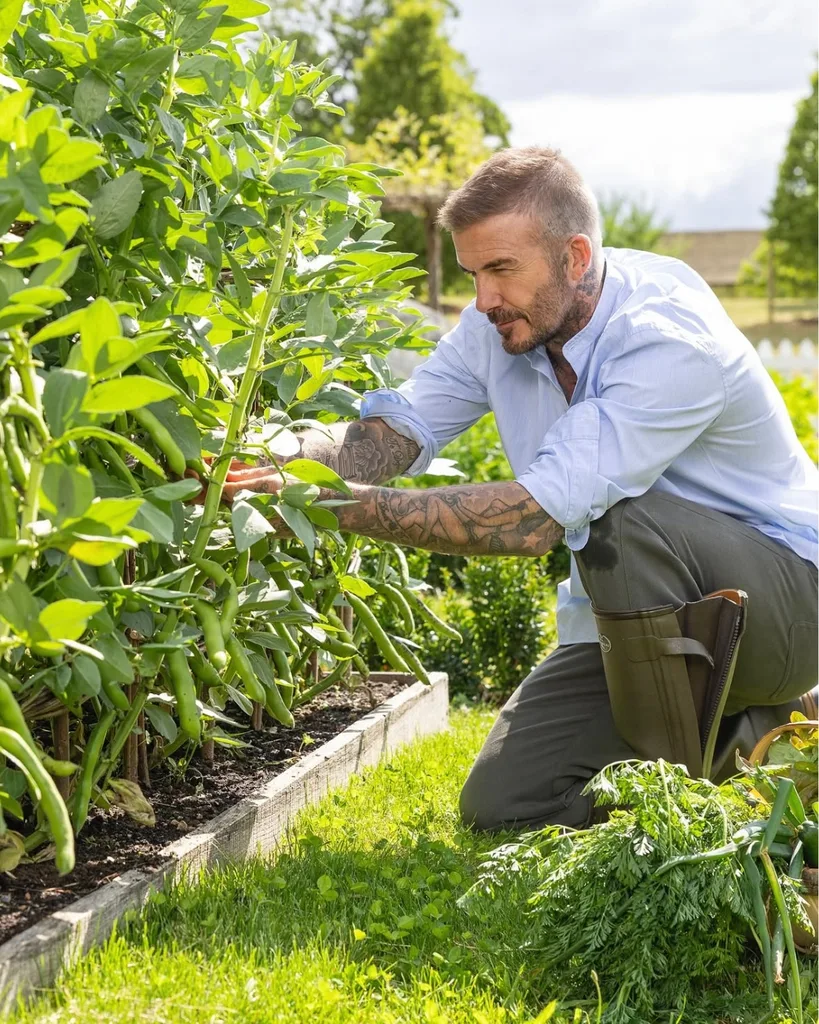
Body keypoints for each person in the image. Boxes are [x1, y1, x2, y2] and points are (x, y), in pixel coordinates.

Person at [224, 147, 819, 832]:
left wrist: (332, 507)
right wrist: (281, 460)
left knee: (615, 519)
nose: (482, 300)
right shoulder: (500, 326)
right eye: (474, 273)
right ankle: (761, 733)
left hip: (787, 603)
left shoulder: (665, 337)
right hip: (636, 617)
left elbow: (537, 518)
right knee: (502, 804)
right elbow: (397, 432)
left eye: (501, 269)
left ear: (575, 256)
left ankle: (683, 810)